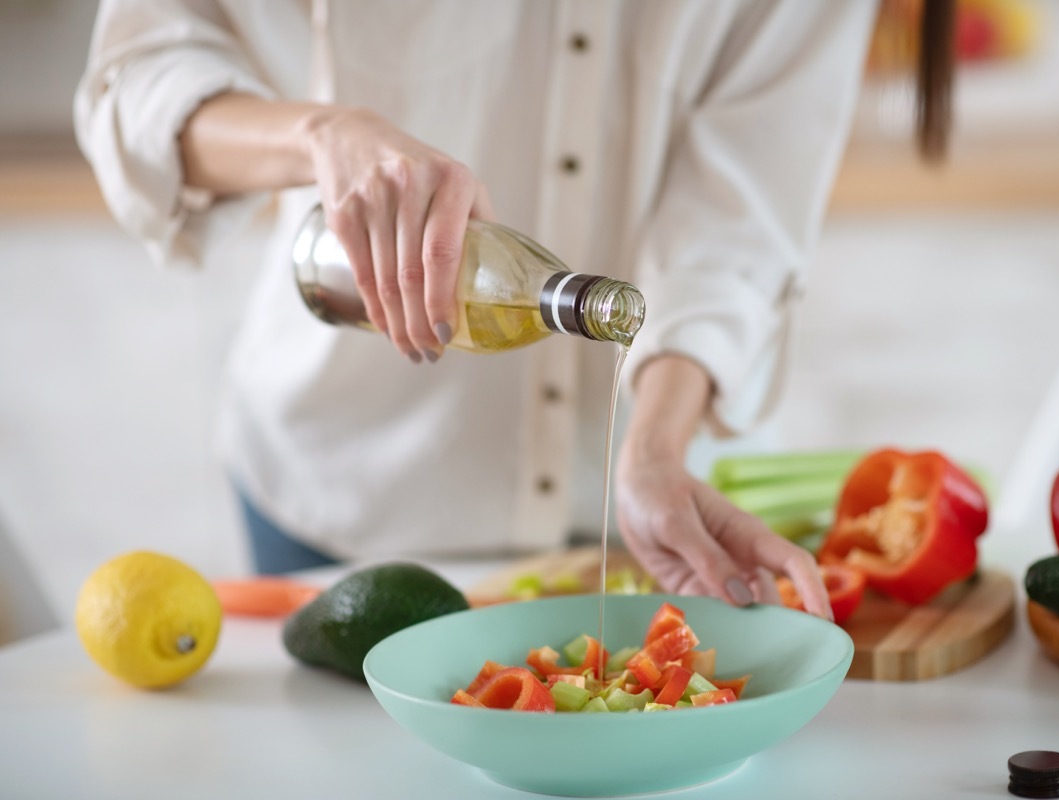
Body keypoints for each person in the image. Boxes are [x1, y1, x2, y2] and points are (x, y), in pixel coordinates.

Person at [75, 0, 953, 618]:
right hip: (344, 493)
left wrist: (650, 453)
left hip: (643, 523)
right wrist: (320, 133)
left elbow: (737, 226)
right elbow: (136, 82)